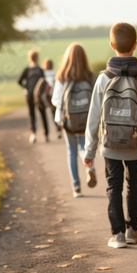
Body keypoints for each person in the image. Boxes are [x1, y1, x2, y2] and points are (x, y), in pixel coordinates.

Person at [83, 22, 137, 248]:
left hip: (110, 143)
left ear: (111, 45)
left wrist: (89, 149)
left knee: (113, 184)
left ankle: (117, 235)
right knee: (133, 182)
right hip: (136, 143)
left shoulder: (104, 78)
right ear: (135, 46)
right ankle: (132, 228)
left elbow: (94, 116)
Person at [51, 43, 97, 198]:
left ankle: (76, 187)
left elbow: (56, 100)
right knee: (84, 147)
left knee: (71, 151)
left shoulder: (61, 76)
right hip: (86, 120)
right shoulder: (89, 76)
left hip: (68, 121)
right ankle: (90, 168)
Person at [17, 50, 49, 144]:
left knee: (39, 114)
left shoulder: (36, 69)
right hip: (33, 95)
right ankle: (37, 133)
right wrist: (26, 88)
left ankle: (41, 134)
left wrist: (27, 88)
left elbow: (44, 81)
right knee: (34, 114)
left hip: (36, 95)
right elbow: (19, 81)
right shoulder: (32, 70)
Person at [41, 58, 62, 139]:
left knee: (43, 115)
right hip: (53, 95)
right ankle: (58, 130)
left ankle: (46, 134)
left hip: (44, 95)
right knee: (53, 112)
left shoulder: (43, 73)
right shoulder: (56, 72)